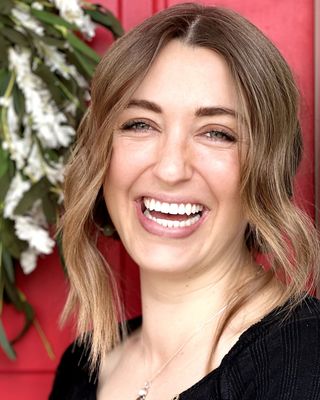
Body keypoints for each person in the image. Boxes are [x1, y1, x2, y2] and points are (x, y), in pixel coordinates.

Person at [49, 3, 320, 400]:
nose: (171, 168)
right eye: (140, 124)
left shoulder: (305, 366)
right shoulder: (83, 368)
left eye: (217, 133)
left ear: (267, 168)